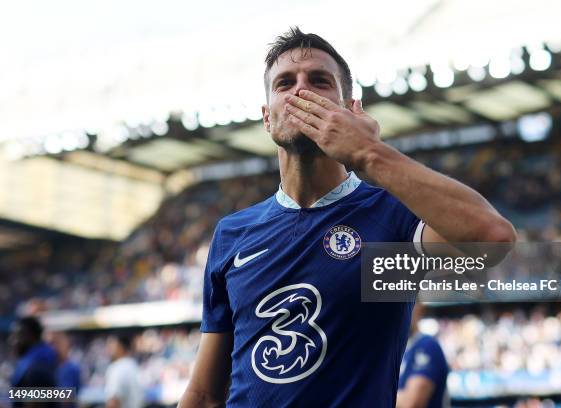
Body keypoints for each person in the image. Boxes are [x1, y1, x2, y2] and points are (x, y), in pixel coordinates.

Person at [179, 27, 515, 408]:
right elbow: (204, 394)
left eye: (319, 81)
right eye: (284, 83)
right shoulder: (232, 234)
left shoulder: (392, 218)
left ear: (352, 109)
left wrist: (368, 152)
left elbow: (493, 238)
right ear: (266, 118)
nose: (300, 92)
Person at [397, 303, 449, 408]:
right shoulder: (400, 350)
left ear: (419, 308)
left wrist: (374, 396)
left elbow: (412, 403)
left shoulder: (426, 345)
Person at [9, 316, 58, 408]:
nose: (12, 341)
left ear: (29, 336)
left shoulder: (35, 368)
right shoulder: (43, 359)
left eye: (16, 335)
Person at [104, 335, 144, 408]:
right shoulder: (133, 365)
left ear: (120, 347)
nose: (108, 348)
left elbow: (113, 402)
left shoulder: (117, 368)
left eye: (111, 344)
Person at [48, 332, 82, 408]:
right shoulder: (48, 368)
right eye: (51, 344)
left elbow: (66, 399)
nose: (54, 348)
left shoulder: (72, 369)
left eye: (57, 343)